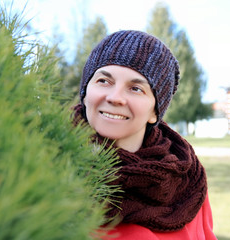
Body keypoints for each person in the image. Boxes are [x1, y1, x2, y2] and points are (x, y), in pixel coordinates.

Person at [72, 30, 217, 239]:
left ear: (155, 111)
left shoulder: (186, 183)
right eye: (104, 81)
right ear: (86, 93)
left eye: (136, 88)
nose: (115, 97)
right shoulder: (49, 160)